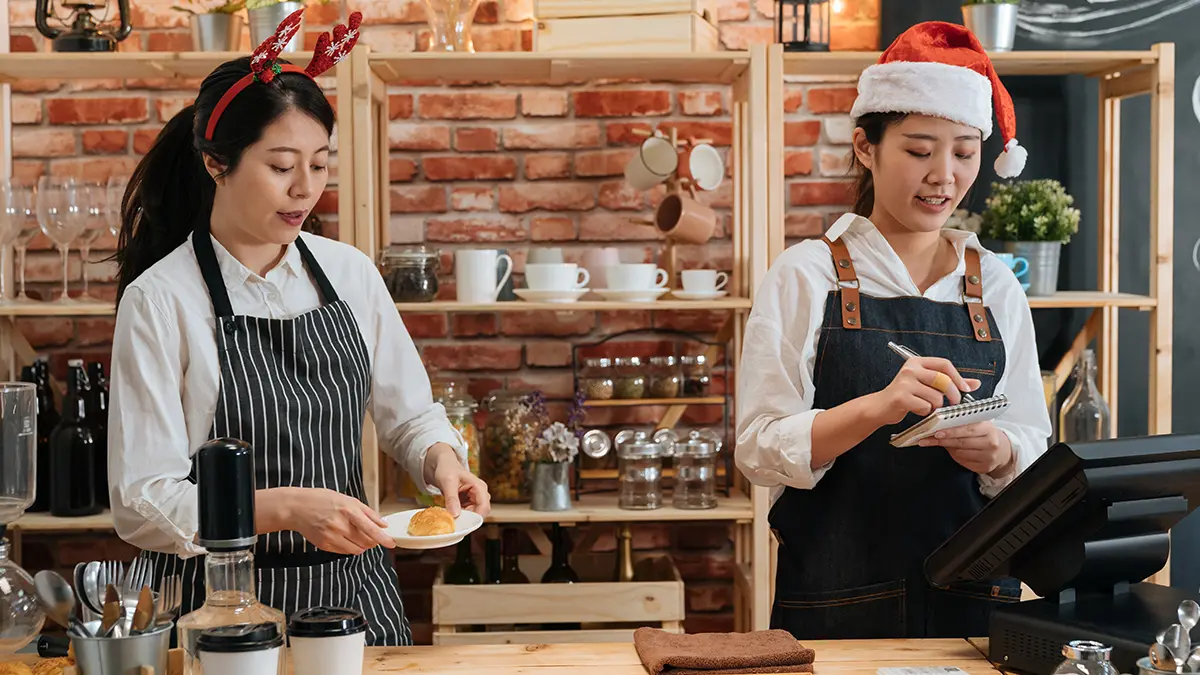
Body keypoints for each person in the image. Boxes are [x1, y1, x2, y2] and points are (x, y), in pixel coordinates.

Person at [106, 10, 489, 647]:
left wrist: (443, 459)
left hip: (353, 601)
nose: (305, 190)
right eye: (281, 166)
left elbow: (409, 413)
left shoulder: (349, 273)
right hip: (217, 605)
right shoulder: (161, 299)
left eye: (320, 163)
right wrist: (283, 507)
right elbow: (142, 503)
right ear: (215, 164)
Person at [734, 21, 1052, 640]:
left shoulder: (997, 285)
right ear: (865, 147)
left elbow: (1034, 446)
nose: (943, 176)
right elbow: (758, 447)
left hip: (977, 613)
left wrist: (1002, 453)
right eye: (918, 150)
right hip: (834, 608)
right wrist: (874, 410)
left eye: (964, 152)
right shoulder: (807, 275)